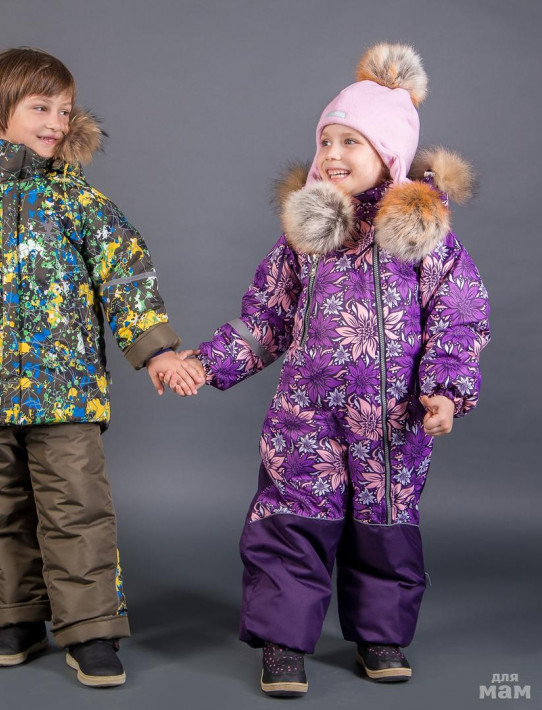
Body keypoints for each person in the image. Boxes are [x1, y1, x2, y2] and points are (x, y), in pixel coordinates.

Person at [166, 43, 489, 696]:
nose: (333, 154)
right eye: (326, 140)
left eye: (351, 141)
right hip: (305, 416)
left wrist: (445, 391)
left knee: (385, 526)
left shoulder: (425, 239)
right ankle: (283, 643)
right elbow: (266, 318)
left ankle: (381, 636)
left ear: (389, 154)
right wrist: (204, 363)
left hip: (392, 422)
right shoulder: (304, 237)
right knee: (291, 518)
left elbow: (459, 317)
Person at [0, 46, 202, 688]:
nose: (57, 121)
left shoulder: (78, 202)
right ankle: (18, 617)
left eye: (65, 109)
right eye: (41, 107)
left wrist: (156, 348)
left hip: (65, 393)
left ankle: (90, 629)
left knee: (76, 510)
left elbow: (125, 274)